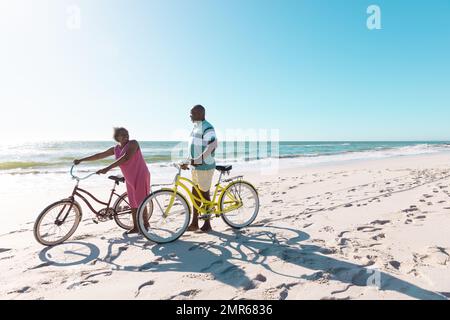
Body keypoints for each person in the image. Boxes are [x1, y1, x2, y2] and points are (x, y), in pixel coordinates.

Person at [73, 127, 150, 234]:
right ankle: (136, 226)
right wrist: (81, 160)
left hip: (140, 174)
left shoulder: (133, 143)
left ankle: (145, 224)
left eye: (127, 134)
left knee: (141, 201)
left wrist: (107, 168)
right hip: (130, 178)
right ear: (117, 138)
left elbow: (125, 158)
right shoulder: (115, 149)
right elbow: (99, 155)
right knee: (133, 202)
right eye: (122, 135)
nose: (126, 136)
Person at [181, 105, 218, 232]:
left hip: (205, 167)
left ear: (201, 114)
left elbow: (213, 145)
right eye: (190, 113)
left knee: (204, 194)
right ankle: (195, 222)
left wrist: (200, 159)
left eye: (193, 113)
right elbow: (193, 148)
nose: (190, 116)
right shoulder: (195, 128)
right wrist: (187, 161)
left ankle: (207, 223)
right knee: (195, 194)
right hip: (195, 167)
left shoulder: (208, 127)